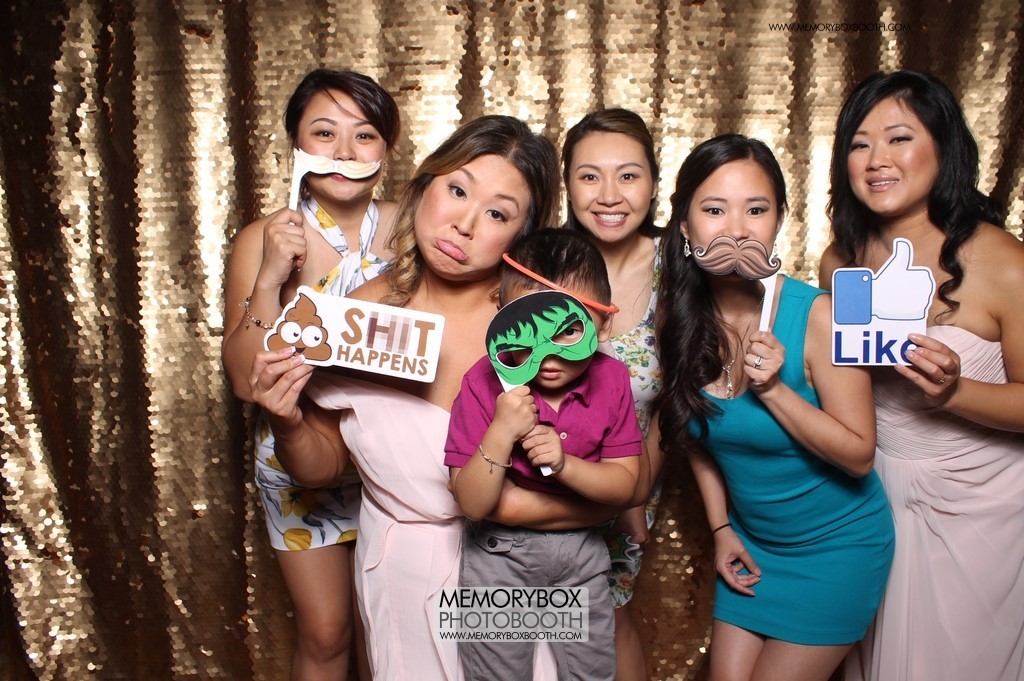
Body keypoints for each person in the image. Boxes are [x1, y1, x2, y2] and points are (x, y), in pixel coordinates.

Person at [247, 115, 563, 681]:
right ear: (424, 185)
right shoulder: (354, 320)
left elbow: (603, 467)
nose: (465, 223)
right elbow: (324, 467)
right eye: (457, 190)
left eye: (497, 213)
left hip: (517, 565)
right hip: (402, 570)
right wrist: (288, 420)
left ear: (522, 235)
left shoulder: (544, 330)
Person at [657, 134, 895, 681]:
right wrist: (721, 528)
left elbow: (859, 455)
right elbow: (694, 438)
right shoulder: (679, 320)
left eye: (756, 210)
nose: (737, 229)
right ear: (686, 226)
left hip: (838, 550)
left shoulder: (820, 315)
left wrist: (775, 392)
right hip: (754, 546)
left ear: (779, 220)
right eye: (714, 210)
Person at [820, 70, 1024, 681]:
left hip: (982, 507)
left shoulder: (1006, 263)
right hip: (870, 497)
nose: (876, 159)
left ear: (944, 147)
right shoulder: (841, 262)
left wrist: (956, 391)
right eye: (859, 143)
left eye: (899, 138)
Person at [221, 68, 400, 680]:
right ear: (296, 143)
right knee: (326, 635)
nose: (345, 151)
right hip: (294, 455)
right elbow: (244, 381)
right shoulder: (262, 238)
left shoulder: (414, 228)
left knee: (391, 632)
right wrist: (271, 276)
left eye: (364, 135)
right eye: (324, 133)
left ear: (386, 149)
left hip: (391, 456)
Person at [445, 228, 644, 680]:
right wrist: (501, 431)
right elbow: (472, 503)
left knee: (592, 674)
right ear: (501, 319)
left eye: (569, 330)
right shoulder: (482, 382)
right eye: (528, 331)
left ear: (603, 325)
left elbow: (625, 486)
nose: (549, 356)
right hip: (499, 556)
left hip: (583, 553)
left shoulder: (613, 380)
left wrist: (564, 464)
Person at [562, 108, 685, 680]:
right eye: (589, 176)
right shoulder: (543, 261)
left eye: (628, 175)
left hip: (631, 477)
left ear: (654, 184)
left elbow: (675, 397)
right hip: (537, 473)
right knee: (531, 623)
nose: (609, 195)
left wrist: (634, 494)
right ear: (567, 185)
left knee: (608, 616)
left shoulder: (676, 265)